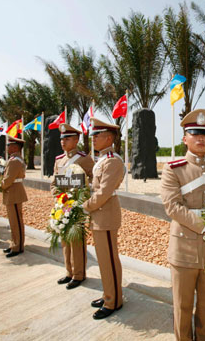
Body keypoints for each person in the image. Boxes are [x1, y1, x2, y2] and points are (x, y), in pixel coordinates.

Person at [161, 109, 205, 341]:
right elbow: (173, 207)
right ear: (185, 138)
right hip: (183, 249)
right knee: (182, 308)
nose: (200, 138)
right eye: (195, 133)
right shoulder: (173, 169)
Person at [82, 118, 125, 320]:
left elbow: (104, 192)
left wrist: (84, 206)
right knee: (104, 259)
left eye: (97, 136)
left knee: (108, 259)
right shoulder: (102, 160)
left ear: (108, 138)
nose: (94, 139)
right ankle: (109, 292)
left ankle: (114, 301)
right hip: (100, 214)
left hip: (106, 214)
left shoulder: (113, 161)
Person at [51, 123, 94, 290]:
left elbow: (93, 180)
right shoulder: (59, 160)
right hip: (63, 206)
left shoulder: (84, 159)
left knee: (76, 241)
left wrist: (81, 199)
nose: (63, 141)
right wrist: (59, 197)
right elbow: (54, 183)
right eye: (62, 138)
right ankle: (69, 271)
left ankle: (79, 274)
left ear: (76, 140)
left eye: (67, 138)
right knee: (65, 241)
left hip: (77, 206)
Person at [1, 136, 28, 258]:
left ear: (15, 147)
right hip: (13, 192)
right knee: (13, 221)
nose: (7, 147)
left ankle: (18, 246)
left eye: (9, 145)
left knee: (16, 221)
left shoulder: (15, 161)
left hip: (14, 192)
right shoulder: (14, 159)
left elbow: (8, 179)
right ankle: (14, 243)